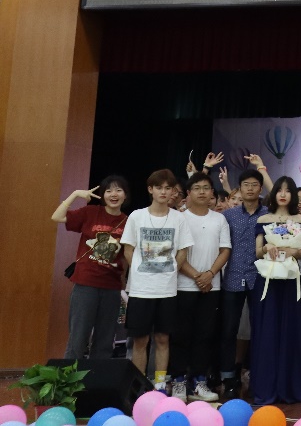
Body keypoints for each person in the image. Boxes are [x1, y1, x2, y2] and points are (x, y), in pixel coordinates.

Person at [122, 169, 193, 393]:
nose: (164, 192)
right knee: (140, 340)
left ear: (173, 192)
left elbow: (183, 250)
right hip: (141, 289)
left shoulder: (179, 218)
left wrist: (171, 270)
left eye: (168, 188)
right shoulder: (136, 216)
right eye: (159, 187)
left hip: (167, 290)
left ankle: (160, 384)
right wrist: (141, 271)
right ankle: (138, 385)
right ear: (150, 190)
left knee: (163, 338)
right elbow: (128, 249)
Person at [250, 175, 301, 404]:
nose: (283, 194)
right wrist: (268, 247)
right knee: (267, 330)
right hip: (268, 279)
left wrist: (289, 249)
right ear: (274, 193)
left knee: (291, 330)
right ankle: (265, 386)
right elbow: (257, 252)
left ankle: (291, 386)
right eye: (279, 190)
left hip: (291, 280)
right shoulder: (263, 219)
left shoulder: (300, 219)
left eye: (288, 190)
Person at [53, 175, 130, 360]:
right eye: (108, 190)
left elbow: (127, 255)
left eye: (118, 190)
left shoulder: (129, 221)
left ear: (125, 195)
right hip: (85, 284)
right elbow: (57, 217)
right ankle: (70, 377)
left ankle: (97, 377)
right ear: (102, 195)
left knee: (105, 341)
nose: (113, 194)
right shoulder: (90, 212)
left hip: (111, 287)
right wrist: (75, 194)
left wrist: (124, 283)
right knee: (78, 339)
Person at [172, 172, 231, 402]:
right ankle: (178, 382)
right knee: (181, 335)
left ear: (212, 193)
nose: (202, 192)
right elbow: (175, 253)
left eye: (206, 188)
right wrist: (198, 276)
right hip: (183, 285)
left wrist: (210, 275)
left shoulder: (219, 220)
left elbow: (225, 250)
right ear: (188, 193)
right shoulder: (179, 218)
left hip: (211, 287)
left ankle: (199, 382)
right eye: (197, 188)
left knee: (204, 336)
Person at [219, 162, 271, 397]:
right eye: (246, 185)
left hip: (260, 278)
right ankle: (229, 377)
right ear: (239, 189)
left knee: (260, 329)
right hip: (232, 277)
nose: (250, 189)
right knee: (229, 330)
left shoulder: (268, 215)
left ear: (260, 188)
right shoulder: (228, 216)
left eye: (254, 185)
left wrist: (263, 169)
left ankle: (259, 375)